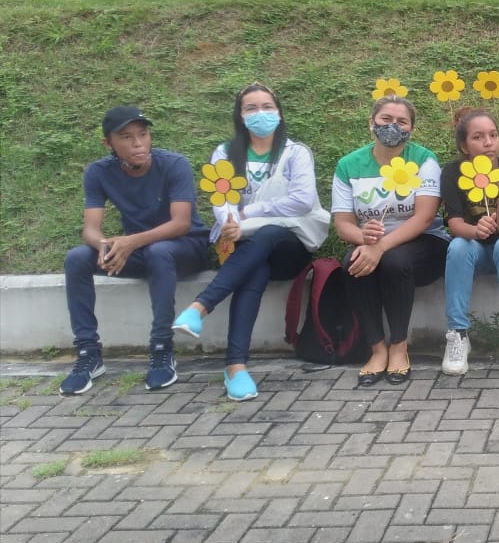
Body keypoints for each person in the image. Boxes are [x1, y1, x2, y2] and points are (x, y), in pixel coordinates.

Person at [171, 83, 323, 400]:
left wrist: (247, 215)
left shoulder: (295, 153)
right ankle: (235, 367)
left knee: (267, 234)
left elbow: (302, 201)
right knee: (255, 268)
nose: (260, 114)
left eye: (267, 107)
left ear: (279, 113)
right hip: (244, 249)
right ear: (240, 116)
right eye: (251, 108)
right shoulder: (225, 154)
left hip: (289, 247)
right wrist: (230, 223)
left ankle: (200, 306)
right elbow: (221, 200)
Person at [59, 106, 210, 395]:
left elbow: (181, 223)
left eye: (143, 134)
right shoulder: (98, 172)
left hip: (186, 248)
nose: (138, 143)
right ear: (108, 143)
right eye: (126, 137)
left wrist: (131, 242)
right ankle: (89, 353)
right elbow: (90, 229)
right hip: (142, 250)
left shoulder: (174, 164)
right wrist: (106, 247)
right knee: (77, 257)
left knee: (159, 252)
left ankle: (162, 347)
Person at [332, 95, 448, 387]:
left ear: (411, 129)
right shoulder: (349, 165)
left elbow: (424, 218)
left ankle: (398, 346)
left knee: (395, 261)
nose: (393, 126)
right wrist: (363, 237)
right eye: (386, 119)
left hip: (423, 241)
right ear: (371, 123)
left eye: (402, 121)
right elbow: (342, 223)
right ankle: (377, 349)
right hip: (371, 240)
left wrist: (381, 246)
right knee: (353, 262)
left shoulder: (423, 160)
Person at [440, 108, 499, 381]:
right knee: (458, 246)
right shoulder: (452, 173)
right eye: (478, 137)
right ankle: (458, 335)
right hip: (475, 247)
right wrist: (476, 230)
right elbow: (454, 224)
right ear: (464, 146)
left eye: (493, 135)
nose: (488, 143)